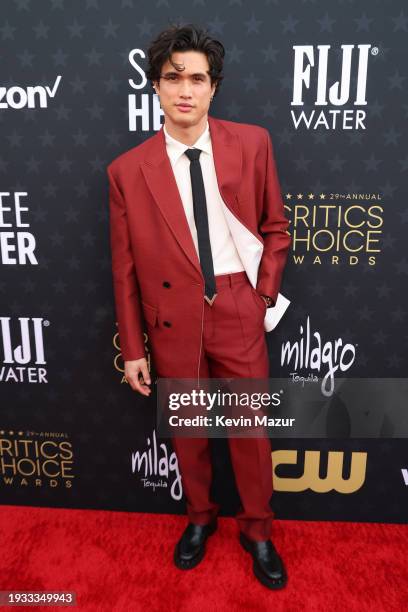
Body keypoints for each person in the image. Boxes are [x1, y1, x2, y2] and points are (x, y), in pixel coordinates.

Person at [107, 23, 291, 590]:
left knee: (250, 431)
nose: (185, 89)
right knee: (188, 431)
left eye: (197, 79)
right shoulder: (125, 171)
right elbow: (125, 270)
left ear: (214, 88)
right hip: (171, 318)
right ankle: (199, 519)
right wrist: (133, 349)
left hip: (238, 306)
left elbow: (276, 228)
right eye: (172, 78)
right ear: (155, 88)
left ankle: (257, 531)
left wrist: (260, 297)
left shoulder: (253, 143)